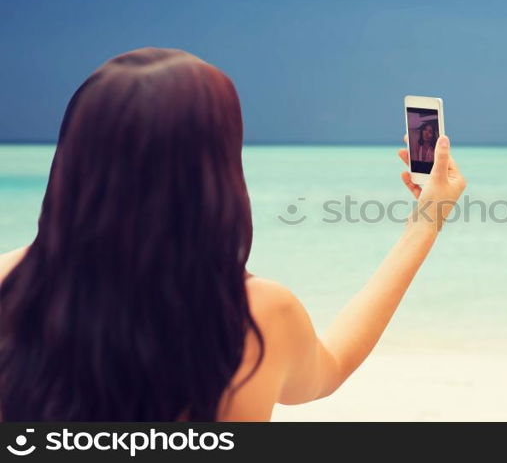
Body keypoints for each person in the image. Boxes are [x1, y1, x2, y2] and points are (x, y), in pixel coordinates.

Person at [0, 48, 465, 421]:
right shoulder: (257, 316)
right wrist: (426, 222)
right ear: (214, 174)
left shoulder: (9, 285)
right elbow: (331, 367)